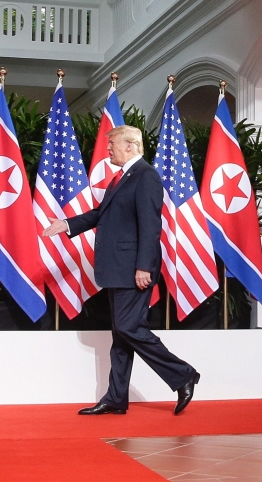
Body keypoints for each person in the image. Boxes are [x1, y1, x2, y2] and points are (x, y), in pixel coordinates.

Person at [42, 125, 199, 416]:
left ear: (129, 145)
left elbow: (151, 227)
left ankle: (183, 374)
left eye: (111, 144)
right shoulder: (123, 178)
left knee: (128, 328)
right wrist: (67, 224)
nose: (108, 149)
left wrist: (143, 267)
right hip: (118, 268)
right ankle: (116, 398)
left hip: (133, 268)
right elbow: (103, 214)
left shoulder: (146, 176)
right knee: (121, 335)